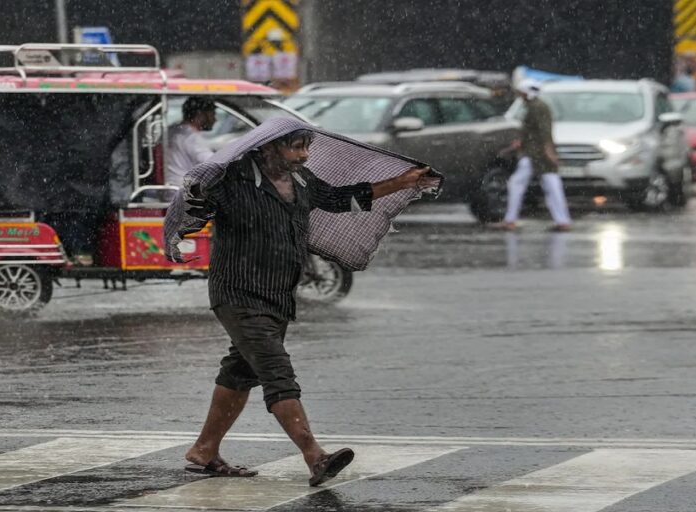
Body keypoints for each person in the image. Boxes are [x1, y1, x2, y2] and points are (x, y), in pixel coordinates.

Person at [167, 126, 440, 486]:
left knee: (240, 372)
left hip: (278, 294)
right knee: (277, 373)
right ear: (268, 149)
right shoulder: (231, 182)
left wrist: (402, 182)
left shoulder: (302, 181)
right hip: (238, 294)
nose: (303, 155)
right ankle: (315, 456)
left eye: (305, 148)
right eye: (295, 148)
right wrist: (192, 206)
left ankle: (203, 451)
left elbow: (342, 199)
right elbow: (197, 204)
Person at [498, 79, 571, 231]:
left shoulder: (537, 108)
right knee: (551, 186)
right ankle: (562, 220)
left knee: (519, 184)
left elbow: (544, 132)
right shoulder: (536, 106)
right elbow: (535, 131)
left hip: (536, 154)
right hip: (535, 153)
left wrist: (548, 152)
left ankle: (510, 219)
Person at [165, 97, 216, 187]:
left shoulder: (172, 130)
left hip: (170, 187)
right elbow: (214, 164)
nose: (215, 119)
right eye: (212, 114)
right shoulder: (191, 137)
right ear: (200, 114)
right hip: (183, 192)